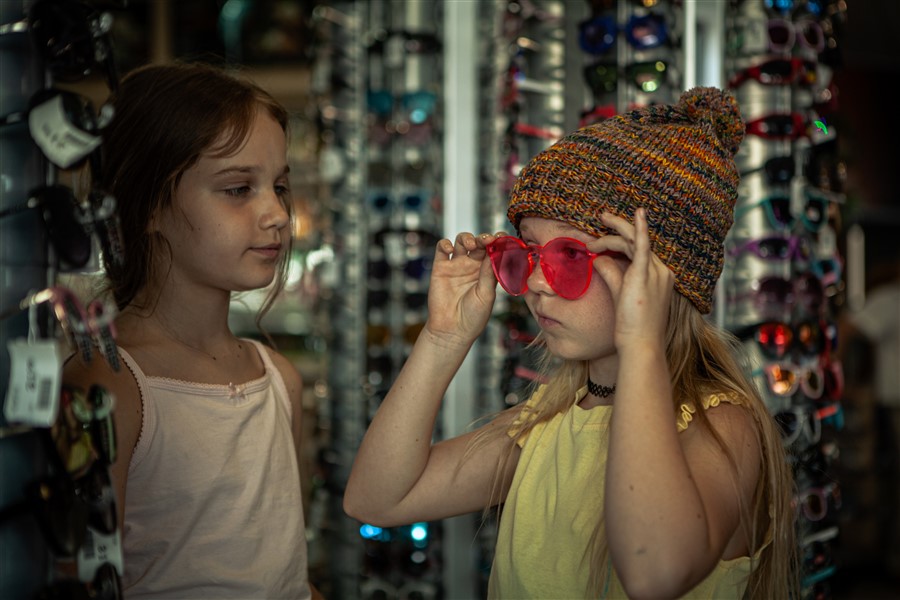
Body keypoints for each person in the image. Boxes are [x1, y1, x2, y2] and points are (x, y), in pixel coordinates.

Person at [344, 87, 799, 599]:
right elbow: (376, 499)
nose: (537, 283)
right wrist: (443, 337)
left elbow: (654, 574)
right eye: (527, 253)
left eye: (570, 257)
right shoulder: (547, 421)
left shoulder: (722, 426)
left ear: (657, 275)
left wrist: (641, 344)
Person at [63, 61, 322, 599]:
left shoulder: (278, 379)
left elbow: (286, 577)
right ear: (147, 205)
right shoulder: (110, 386)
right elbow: (80, 582)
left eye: (278, 186)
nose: (277, 213)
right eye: (238, 188)